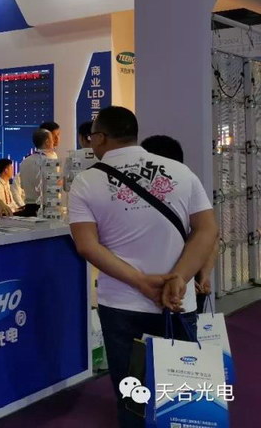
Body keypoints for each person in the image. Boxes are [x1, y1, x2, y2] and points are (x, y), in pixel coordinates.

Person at [68, 107, 218, 428]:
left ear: (101, 137)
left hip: (122, 303)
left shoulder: (86, 181)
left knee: (132, 394)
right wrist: (180, 278)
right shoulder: (180, 172)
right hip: (177, 300)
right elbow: (207, 230)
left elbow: (87, 246)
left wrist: (139, 281)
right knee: (182, 389)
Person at [141, 134, 216, 312]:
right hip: (187, 283)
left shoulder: (134, 195)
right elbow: (211, 235)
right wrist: (203, 275)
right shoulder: (190, 184)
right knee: (184, 326)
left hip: (147, 285)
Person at [14, 128, 56, 217]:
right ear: (47, 141)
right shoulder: (50, 161)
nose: (54, 142)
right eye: (52, 139)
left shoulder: (24, 161)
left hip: (28, 209)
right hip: (47, 209)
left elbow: (22, 185)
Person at [64, 121, 97, 190]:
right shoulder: (102, 155)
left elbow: (66, 184)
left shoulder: (73, 155)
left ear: (81, 137)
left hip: (78, 193)